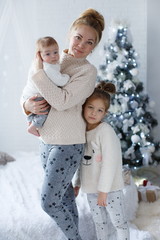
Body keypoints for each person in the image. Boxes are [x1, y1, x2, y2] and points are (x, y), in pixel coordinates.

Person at [20, 8, 105, 240]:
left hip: (68, 145)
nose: (81, 45)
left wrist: (39, 73)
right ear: (70, 34)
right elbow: (29, 89)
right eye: (78, 37)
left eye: (89, 42)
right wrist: (27, 104)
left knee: (49, 202)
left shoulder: (87, 71)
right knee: (64, 197)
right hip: (45, 141)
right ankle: (73, 234)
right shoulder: (50, 55)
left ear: (93, 47)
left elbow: (63, 101)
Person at [73, 81, 130, 240]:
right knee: (100, 223)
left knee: (119, 222)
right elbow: (81, 161)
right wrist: (78, 183)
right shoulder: (81, 130)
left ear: (105, 113)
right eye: (90, 107)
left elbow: (110, 164)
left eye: (99, 110)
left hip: (110, 189)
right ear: (84, 106)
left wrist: (103, 191)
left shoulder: (105, 131)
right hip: (91, 189)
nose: (93, 113)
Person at [22, 36, 69, 137]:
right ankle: (34, 126)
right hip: (36, 95)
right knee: (45, 110)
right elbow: (60, 81)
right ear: (39, 55)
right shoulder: (48, 67)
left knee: (38, 110)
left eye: (56, 52)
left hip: (28, 94)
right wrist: (67, 77)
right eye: (48, 54)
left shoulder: (38, 63)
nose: (53, 56)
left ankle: (30, 121)